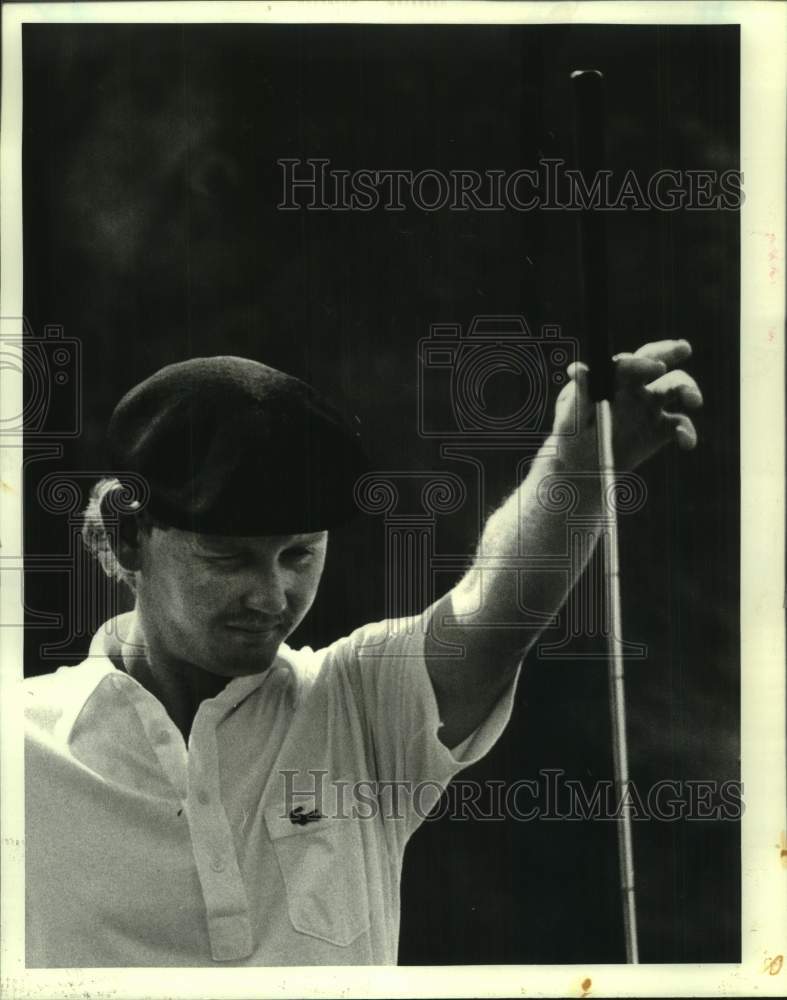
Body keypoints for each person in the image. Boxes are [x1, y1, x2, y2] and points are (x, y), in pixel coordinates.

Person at [24, 343, 702, 967]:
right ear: (126, 536)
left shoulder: (356, 705)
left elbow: (494, 613)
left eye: (299, 555)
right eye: (227, 558)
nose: (270, 596)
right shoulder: (18, 743)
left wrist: (573, 470)